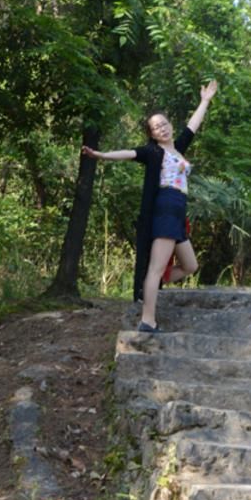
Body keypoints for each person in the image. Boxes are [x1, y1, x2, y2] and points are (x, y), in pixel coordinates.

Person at [82, 80, 218, 331]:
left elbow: (193, 126)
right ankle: (148, 320)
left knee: (190, 265)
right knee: (155, 269)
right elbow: (128, 153)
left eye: (164, 124)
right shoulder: (153, 152)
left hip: (178, 212)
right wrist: (101, 155)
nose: (162, 129)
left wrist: (205, 101)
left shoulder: (178, 148)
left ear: (169, 126)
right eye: (156, 128)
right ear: (152, 134)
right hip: (165, 208)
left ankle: (151, 286)